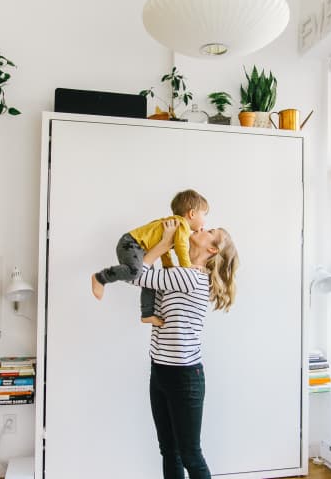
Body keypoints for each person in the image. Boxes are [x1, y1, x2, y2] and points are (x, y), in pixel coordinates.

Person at [134, 219, 239, 479]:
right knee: (169, 451)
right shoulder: (180, 272)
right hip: (159, 370)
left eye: (210, 231)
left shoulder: (190, 276)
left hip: (184, 377)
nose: (202, 228)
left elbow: (136, 274)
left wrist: (163, 243)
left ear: (213, 250)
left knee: (190, 454)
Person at [91, 189, 209, 326]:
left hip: (139, 249)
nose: (205, 221)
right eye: (204, 215)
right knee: (134, 271)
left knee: (149, 281)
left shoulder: (174, 224)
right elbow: (181, 248)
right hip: (131, 243)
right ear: (192, 213)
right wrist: (187, 266)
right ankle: (101, 277)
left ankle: (147, 314)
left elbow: (166, 250)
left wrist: (168, 266)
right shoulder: (181, 224)